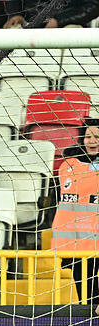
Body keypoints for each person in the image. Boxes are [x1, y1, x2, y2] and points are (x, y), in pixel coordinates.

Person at [53, 118, 99, 307]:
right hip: (75, 238)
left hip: (93, 237)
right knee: (84, 283)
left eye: (97, 136)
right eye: (88, 136)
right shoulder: (69, 165)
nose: (92, 141)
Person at [3, 0, 99, 28]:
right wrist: (15, 15)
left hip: (67, 26)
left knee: (72, 29)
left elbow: (93, 6)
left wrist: (59, 21)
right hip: (27, 24)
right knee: (12, 28)